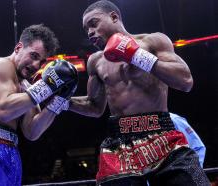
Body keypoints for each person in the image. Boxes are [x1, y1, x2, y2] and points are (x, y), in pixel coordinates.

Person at [69, 1, 210, 185]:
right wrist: (62, 101)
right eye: (86, 28)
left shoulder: (153, 41)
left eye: (94, 23)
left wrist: (136, 56)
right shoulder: (95, 61)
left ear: (114, 17)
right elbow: (94, 107)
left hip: (162, 135)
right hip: (119, 145)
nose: (90, 32)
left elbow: (185, 81)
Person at [0, 24, 78, 186]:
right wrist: (47, 86)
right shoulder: (0, 65)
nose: (36, 65)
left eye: (41, 62)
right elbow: (4, 110)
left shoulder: (27, 87)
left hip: (10, 151)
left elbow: (32, 131)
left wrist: (59, 99)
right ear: (19, 47)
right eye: (33, 56)